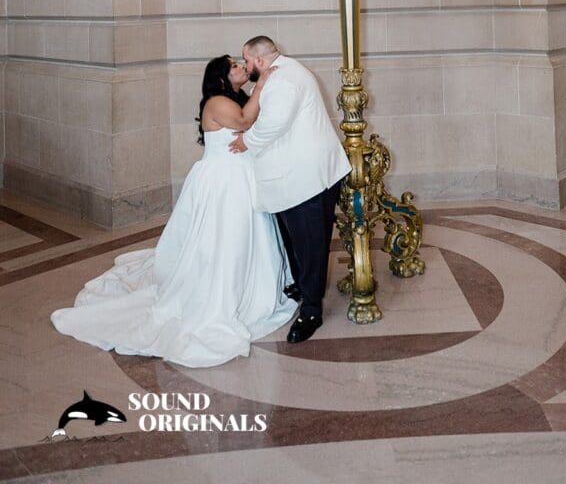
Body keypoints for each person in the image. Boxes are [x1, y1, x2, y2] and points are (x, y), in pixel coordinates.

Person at [50, 55, 296, 368]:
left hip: (240, 178)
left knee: (245, 239)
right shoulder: (217, 100)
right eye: (235, 65)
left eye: (240, 63)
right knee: (222, 238)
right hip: (222, 182)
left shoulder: (237, 98)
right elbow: (245, 122)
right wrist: (262, 83)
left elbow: (253, 125)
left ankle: (256, 286)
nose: (241, 67)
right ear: (220, 77)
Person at [230, 36, 351, 343]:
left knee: (310, 245)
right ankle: (302, 284)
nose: (245, 66)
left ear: (259, 60)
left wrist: (247, 141)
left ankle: (311, 311)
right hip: (295, 178)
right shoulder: (283, 73)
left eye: (246, 60)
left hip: (308, 180)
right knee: (297, 241)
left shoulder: (284, 80)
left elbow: (274, 123)